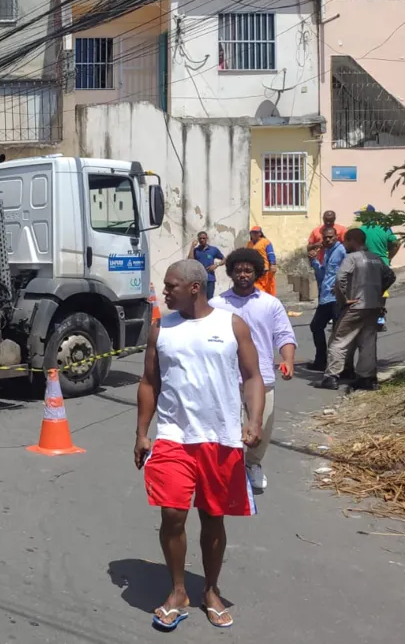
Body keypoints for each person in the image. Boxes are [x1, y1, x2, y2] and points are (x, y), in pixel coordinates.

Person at [135, 259, 264, 631]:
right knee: (172, 515)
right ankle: (178, 591)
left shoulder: (230, 325)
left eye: (171, 285)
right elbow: (148, 382)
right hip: (174, 437)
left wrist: (253, 421)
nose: (165, 291)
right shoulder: (161, 329)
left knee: (213, 517)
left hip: (220, 438)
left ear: (194, 287)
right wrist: (143, 432)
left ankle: (210, 589)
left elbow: (252, 376)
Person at [209, 248, 296, 492]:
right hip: (225, 379)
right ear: (231, 273)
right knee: (227, 428)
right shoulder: (217, 304)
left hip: (262, 378)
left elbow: (284, 335)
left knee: (261, 429)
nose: (243, 274)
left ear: (256, 272)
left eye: (248, 270)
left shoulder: (270, 304)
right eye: (238, 270)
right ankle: (227, 471)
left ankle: (253, 465)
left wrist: (287, 359)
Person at [314, 229, 397, 391]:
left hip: (355, 306)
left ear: (352, 240)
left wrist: (343, 299)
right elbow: (390, 276)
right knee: (368, 341)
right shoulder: (375, 258)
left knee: (339, 340)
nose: (344, 244)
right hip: (374, 306)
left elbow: (340, 279)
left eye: (345, 241)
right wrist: (377, 293)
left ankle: (331, 377)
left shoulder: (351, 258)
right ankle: (366, 378)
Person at [306, 226, 347, 372]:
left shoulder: (342, 251)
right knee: (316, 326)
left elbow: (348, 271)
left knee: (337, 332)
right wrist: (314, 261)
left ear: (336, 237)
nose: (328, 240)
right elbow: (323, 274)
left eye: (331, 237)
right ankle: (321, 361)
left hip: (336, 297)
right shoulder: (328, 252)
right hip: (325, 297)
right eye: (325, 238)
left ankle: (339, 366)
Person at [353, 205, 400, 332]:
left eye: (362, 215)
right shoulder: (385, 228)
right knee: (381, 290)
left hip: (366, 263)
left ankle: (367, 318)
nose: (360, 218)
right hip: (382, 263)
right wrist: (389, 257)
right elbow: (396, 243)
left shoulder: (361, 230)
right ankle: (380, 317)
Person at [189, 231, 226, 299]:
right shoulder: (196, 250)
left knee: (209, 300)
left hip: (210, 279)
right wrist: (192, 247)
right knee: (199, 299)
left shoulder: (213, 250)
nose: (202, 240)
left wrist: (216, 264)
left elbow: (224, 259)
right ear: (198, 239)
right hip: (198, 279)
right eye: (200, 238)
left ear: (207, 238)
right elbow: (190, 260)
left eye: (204, 238)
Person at [246, 226, 277, 296]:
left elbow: (271, 253)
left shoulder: (265, 242)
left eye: (256, 233)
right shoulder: (249, 244)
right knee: (256, 288)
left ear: (260, 233)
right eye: (252, 233)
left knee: (268, 288)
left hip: (265, 269)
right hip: (254, 270)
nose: (254, 234)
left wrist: (272, 264)